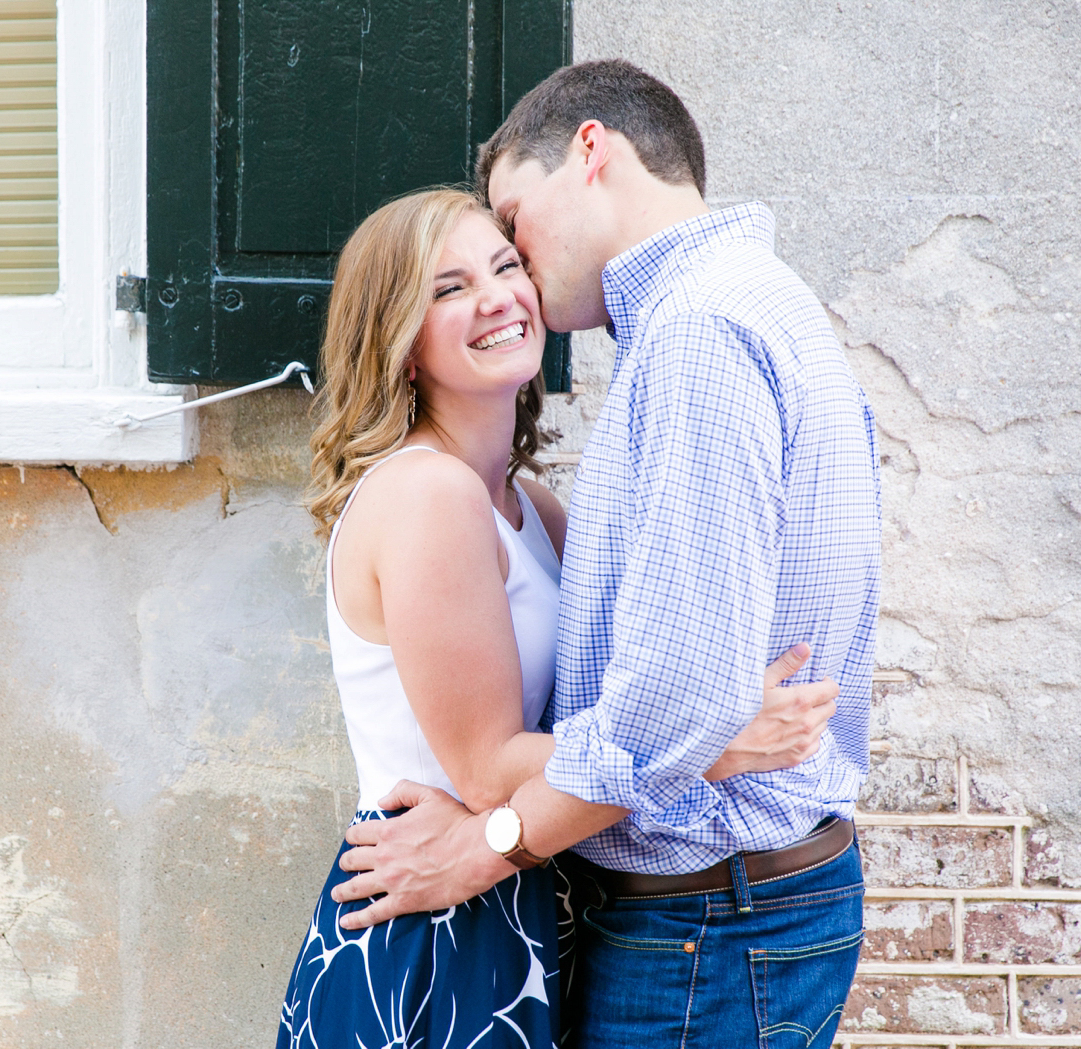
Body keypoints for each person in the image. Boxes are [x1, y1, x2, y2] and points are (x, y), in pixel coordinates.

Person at [329, 62, 883, 1049]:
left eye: (509, 236)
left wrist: (494, 845)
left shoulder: (695, 335)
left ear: (589, 151)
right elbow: (666, 704)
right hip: (569, 924)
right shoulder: (733, 306)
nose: (515, 277)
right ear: (402, 340)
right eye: (454, 283)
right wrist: (708, 735)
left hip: (706, 916)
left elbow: (667, 699)